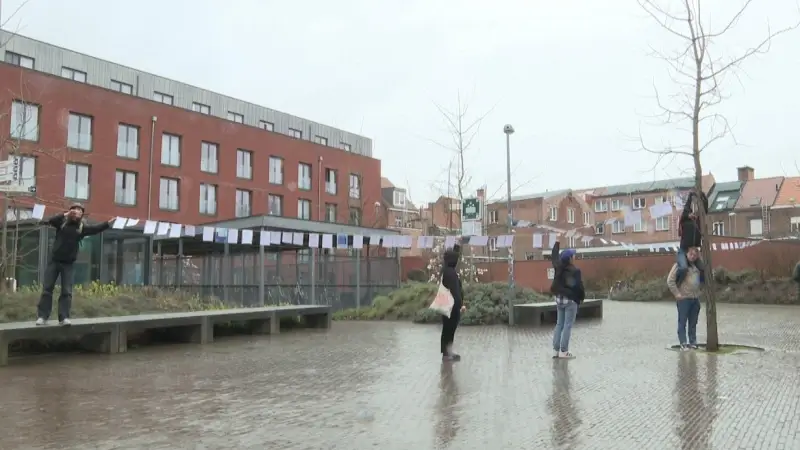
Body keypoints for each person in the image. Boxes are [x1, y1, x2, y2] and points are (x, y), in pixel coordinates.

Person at [36, 203, 112, 326]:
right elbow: (51, 220)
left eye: (80, 211)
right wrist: (66, 214)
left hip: (68, 264)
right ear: (70, 211)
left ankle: (64, 317)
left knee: (66, 291)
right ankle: (42, 316)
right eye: (75, 210)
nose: (77, 212)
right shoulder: (62, 223)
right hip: (54, 261)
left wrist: (107, 224)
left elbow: (95, 229)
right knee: (47, 289)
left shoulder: (82, 227)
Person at [550, 241, 585, 359]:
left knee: (559, 324)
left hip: (559, 299)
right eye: (573, 255)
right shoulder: (575, 271)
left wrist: (557, 244)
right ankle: (564, 351)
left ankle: (555, 350)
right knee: (567, 325)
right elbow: (579, 287)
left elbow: (554, 256)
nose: (574, 257)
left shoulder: (558, 266)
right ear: (570, 259)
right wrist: (581, 298)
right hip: (570, 301)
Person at [667, 246, 705, 350]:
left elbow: (701, 281)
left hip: (695, 299)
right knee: (682, 322)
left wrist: (700, 291)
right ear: (686, 254)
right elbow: (670, 281)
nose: (692, 256)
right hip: (684, 299)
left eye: (695, 255)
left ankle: (693, 342)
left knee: (693, 323)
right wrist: (677, 294)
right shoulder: (679, 266)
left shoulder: (697, 267)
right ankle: (683, 343)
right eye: (691, 254)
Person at [676, 191, 708, 285]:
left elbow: (704, 210)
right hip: (683, 251)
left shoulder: (697, 222)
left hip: (693, 252)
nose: (692, 215)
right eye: (690, 214)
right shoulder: (684, 222)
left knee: (703, 268)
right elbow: (686, 210)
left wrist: (703, 197)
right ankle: (677, 283)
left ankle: (701, 285)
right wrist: (690, 196)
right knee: (683, 268)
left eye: (693, 214)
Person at [440, 244, 466, 362]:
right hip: (451, 306)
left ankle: (447, 352)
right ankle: (447, 353)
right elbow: (455, 290)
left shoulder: (447, 270)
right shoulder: (450, 273)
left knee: (448, 329)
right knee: (449, 329)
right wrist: (460, 304)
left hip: (447, 305)